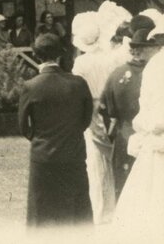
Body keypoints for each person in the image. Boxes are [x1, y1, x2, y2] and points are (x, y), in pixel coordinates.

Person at [19, 33, 93, 228]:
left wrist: (42, 139)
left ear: (36, 56)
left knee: (42, 214)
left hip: (43, 158)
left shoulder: (30, 86)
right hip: (73, 155)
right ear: (60, 56)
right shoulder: (78, 83)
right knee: (77, 214)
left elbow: (23, 127)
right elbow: (85, 119)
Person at [71, 12, 127, 224]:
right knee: (110, 157)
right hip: (109, 107)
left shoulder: (81, 63)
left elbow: (77, 89)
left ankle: (98, 209)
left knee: (94, 161)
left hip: (91, 108)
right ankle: (112, 207)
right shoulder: (109, 58)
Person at [101, 16, 160, 199]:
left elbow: (106, 109)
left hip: (125, 134)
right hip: (151, 135)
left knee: (127, 187)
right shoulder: (156, 70)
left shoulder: (117, 74)